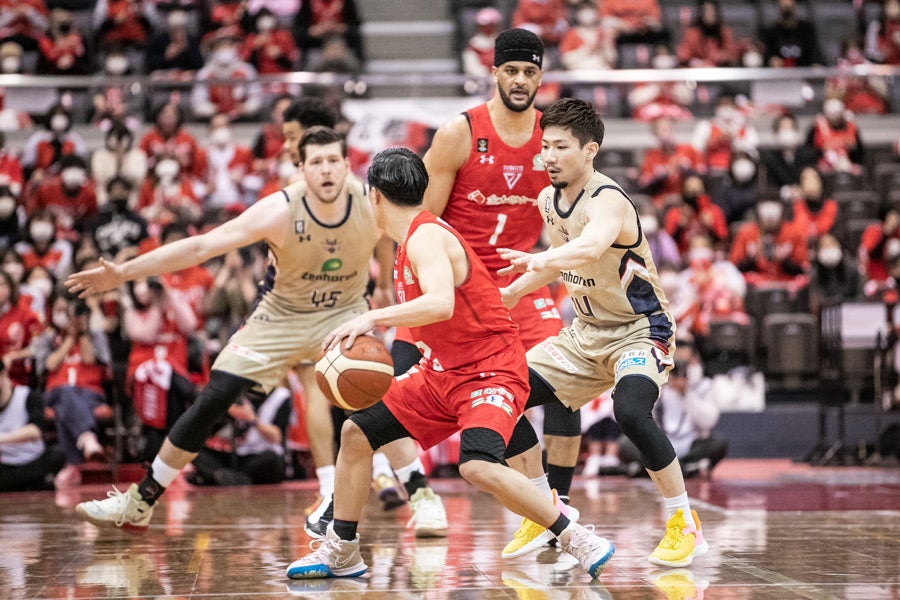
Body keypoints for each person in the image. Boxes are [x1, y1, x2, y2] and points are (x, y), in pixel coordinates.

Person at [284, 147, 614, 581]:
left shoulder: (426, 237)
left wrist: (372, 318)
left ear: (374, 196)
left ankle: (575, 536)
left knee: (476, 464)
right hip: (442, 372)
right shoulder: (409, 238)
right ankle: (342, 549)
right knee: (357, 432)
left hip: (490, 370)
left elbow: (440, 303)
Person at [65, 126, 408, 537]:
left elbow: (395, 235)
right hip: (280, 316)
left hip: (342, 312)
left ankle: (416, 491)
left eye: (334, 160)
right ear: (300, 169)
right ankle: (141, 500)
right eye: (316, 162)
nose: (326, 170)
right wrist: (124, 272)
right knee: (216, 395)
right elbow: (201, 247)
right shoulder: (278, 210)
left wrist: (385, 285)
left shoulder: (371, 203)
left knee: (374, 390)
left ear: (347, 165)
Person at [497, 98, 708, 568]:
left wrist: (541, 259)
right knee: (499, 393)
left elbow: (590, 247)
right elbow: (559, 262)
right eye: (545, 146)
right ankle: (544, 507)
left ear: (590, 150)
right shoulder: (548, 200)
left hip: (639, 329)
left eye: (561, 147)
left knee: (630, 411)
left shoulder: (608, 199)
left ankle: (683, 523)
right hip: (586, 333)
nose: (549, 156)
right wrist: (511, 293)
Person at [409, 27, 579, 523]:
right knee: (431, 389)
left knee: (564, 388)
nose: (520, 79)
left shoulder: (554, 139)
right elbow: (422, 221)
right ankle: (400, 489)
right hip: (463, 288)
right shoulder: (460, 132)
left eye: (529, 71)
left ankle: (557, 507)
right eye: (511, 70)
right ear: (494, 73)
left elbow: (575, 215)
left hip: (523, 282)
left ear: (541, 77)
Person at [618, 344, 728, 479]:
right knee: (625, 444)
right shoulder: (658, 383)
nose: (678, 369)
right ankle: (686, 469)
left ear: (695, 362)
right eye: (676, 364)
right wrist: (658, 387)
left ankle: (654, 468)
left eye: (684, 364)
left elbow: (708, 422)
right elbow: (642, 417)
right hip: (660, 444)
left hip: (691, 444)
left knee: (719, 443)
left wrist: (686, 393)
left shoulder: (704, 385)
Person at [0, 360, 65, 492]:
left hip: (33, 459)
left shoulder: (28, 396)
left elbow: (35, 430)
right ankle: (32, 484)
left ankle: (29, 483)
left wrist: (3, 438)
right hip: (5, 464)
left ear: (3, 375)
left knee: (58, 455)